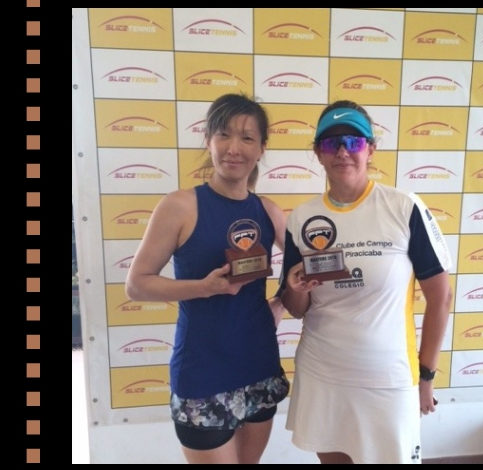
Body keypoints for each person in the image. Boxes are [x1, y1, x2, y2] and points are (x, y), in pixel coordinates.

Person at [278, 100, 453, 464]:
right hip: (322, 374)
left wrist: (426, 376)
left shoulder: (403, 207)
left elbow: (442, 298)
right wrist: (295, 290)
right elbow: (297, 309)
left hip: (388, 379)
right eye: (331, 143)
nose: (343, 152)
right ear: (318, 153)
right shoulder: (302, 218)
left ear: (370, 149)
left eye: (354, 141)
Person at [125, 93, 289, 464]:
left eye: (247, 138)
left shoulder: (268, 210)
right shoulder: (180, 205)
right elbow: (137, 284)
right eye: (224, 134)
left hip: (259, 366)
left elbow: (302, 269)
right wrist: (204, 287)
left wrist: (279, 303)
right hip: (202, 373)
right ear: (208, 139)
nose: (234, 148)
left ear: (261, 148)